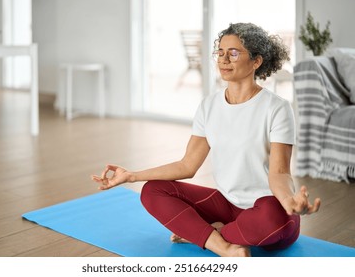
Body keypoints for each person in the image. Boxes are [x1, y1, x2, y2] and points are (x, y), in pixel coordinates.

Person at [91, 23, 321, 257]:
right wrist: (131, 176)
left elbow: (279, 173)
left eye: (233, 53)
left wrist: (288, 200)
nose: (223, 60)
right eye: (220, 53)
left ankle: (203, 235)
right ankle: (223, 246)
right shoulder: (209, 106)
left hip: (266, 208)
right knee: (152, 191)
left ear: (256, 62)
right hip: (226, 204)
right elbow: (187, 166)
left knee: (276, 216)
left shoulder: (277, 108)